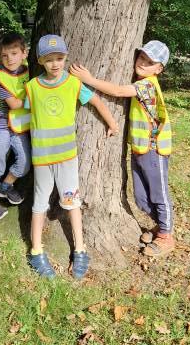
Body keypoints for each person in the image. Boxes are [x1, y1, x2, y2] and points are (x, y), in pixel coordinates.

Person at [23, 34, 119, 279]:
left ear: (65, 57)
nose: (55, 64)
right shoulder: (32, 87)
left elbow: (95, 100)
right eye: (49, 59)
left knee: (72, 202)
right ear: (40, 61)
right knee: (39, 203)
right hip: (42, 159)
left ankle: (80, 249)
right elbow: (21, 116)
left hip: (67, 158)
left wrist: (112, 123)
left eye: (59, 58)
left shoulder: (73, 84)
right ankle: (36, 251)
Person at [71, 40, 174, 258]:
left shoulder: (147, 85)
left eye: (150, 62)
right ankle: (159, 226)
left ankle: (166, 235)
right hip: (140, 149)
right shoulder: (142, 82)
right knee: (141, 197)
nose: (143, 63)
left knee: (158, 193)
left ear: (159, 69)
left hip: (154, 150)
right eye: (142, 57)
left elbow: (118, 91)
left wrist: (89, 80)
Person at [0, 32, 31, 222]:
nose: (9, 59)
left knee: (25, 162)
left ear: (24, 53)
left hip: (19, 126)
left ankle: (5, 187)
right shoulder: (1, 79)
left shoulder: (28, 71)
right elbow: (15, 104)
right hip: (1, 127)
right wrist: (38, 100)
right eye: (4, 55)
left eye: (14, 53)